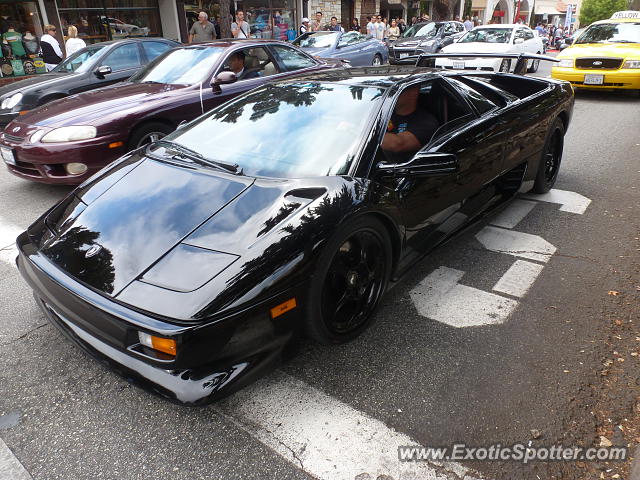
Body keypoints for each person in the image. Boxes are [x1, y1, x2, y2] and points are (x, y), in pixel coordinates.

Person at [382, 85, 439, 163]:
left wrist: (362, 134)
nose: (388, 95)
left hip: (403, 171)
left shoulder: (426, 122)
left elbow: (398, 144)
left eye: (395, 91)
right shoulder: (384, 114)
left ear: (413, 93)